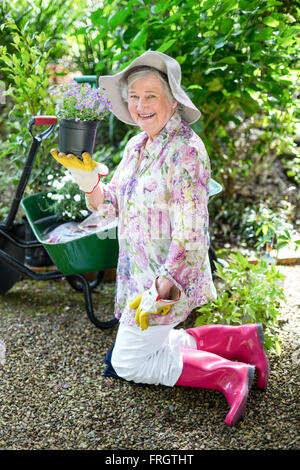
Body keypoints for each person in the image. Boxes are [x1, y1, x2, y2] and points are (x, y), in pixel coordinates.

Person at [50, 51, 269, 426]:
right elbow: (111, 206)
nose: (140, 105)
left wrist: (163, 286)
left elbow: (191, 230)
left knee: (127, 362)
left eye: (150, 95)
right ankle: (241, 339)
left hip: (167, 280)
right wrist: (89, 183)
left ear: (172, 99)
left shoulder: (185, 149)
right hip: (138, 275)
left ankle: (227, 375)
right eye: (134, 96)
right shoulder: (137, 146)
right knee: (148, 346)